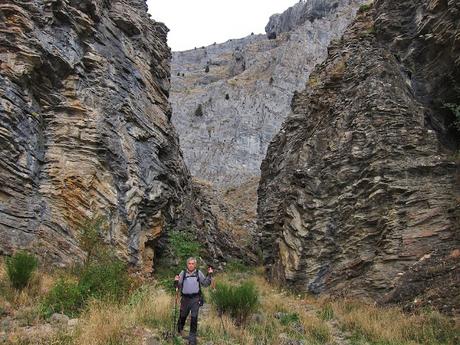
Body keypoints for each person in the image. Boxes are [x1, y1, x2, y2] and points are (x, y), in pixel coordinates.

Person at [174, 257, 213, 345]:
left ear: (195, 265)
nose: (191, 265)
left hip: (195, 299)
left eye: (192, 264)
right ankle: (180, 329)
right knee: (183, 315)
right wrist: (176, 281)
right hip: (185, 299)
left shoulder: (198, 273)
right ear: (187, 264)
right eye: (189, 263)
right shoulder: (183, 273)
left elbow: (205, 283)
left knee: (194, 318)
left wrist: (209, 275)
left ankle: (192, 338)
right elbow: (178, 286)